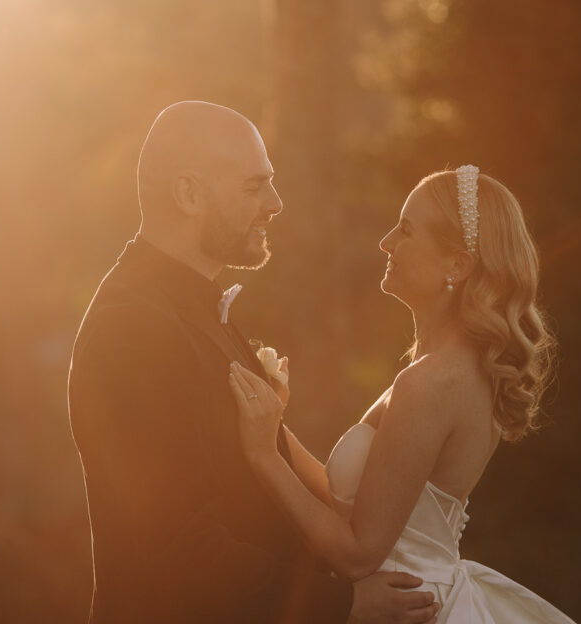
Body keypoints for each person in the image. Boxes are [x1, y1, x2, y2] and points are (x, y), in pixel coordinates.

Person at [67, 100, 440, 623]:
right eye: (253, 186)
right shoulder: (131, 329)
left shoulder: (195, 304)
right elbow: (175, 549)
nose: (276, 203)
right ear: (189, 193)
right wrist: (342, 606)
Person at [228, 166, 577, 623]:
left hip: (404, 609)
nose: (386, 242)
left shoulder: (431, 383)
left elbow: (358, 555)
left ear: (457, 264)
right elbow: (351, 507)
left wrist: (262, 455)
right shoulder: (452, 371)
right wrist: (275, 429)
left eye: (406, 230)